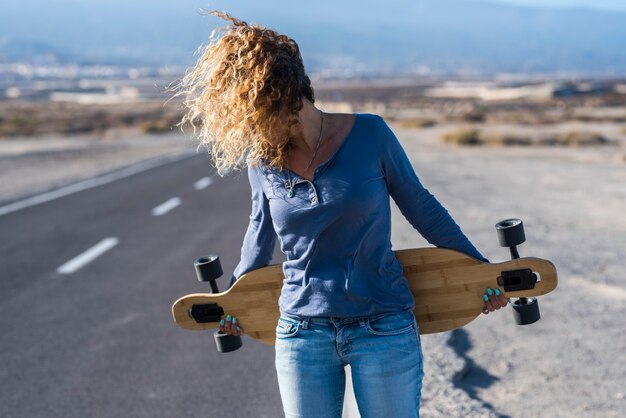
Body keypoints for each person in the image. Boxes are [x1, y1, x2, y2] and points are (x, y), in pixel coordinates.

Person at [172, 11, 509, 418]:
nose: (248, 128)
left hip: (383, 326)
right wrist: (235, 299)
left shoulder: (371, 135)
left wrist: (479, 272)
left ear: (281, 95)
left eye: (253, 112)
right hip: (301, 333)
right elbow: (258, 233)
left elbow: (422, 208)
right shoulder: (262, 160)